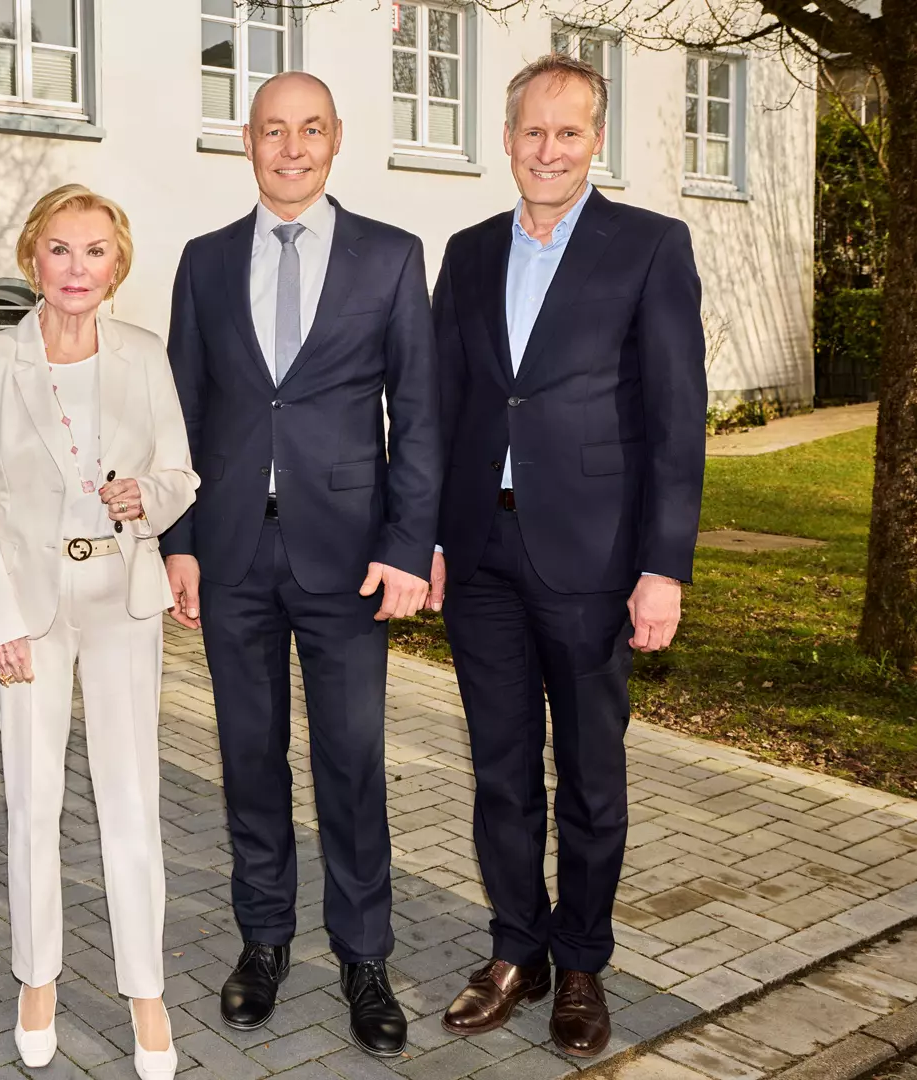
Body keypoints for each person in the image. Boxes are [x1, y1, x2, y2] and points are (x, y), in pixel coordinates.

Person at [428, 54, 706, 1058]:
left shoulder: (647, 247)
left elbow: (679, 417)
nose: (548, 151)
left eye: (569, 133)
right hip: (483, 552)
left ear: (596, 141)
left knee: (590, 773)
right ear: (507, 141)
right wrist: (431, 537)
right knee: (500, 769)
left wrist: (663, 565)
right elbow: (441, 408)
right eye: (532, 133)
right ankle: (516, 948)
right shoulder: (463, 254)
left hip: (595, 557)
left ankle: (582, 960)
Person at [162, 71, 442, 1058]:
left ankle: (365, 956)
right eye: (273, 130)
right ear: (249, 141)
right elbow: (181, 416)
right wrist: (178, 545)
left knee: (351, 765)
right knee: (248, 760)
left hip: (348, 559)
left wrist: (411, 546)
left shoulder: (392, 258)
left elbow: (418, 414)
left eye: (309, 129)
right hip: (233, 554)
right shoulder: (202, 263)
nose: (291, 147)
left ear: (336, 138)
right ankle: (264, 941)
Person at [0, 185, 198, 1080]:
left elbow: (180, 473)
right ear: (32, 259)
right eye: (60, 249)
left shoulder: (143, 356)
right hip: (29, 615)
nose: (78, 268)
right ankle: (37, 981)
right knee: (34, 806)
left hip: (123, 600)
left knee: (131, 807)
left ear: (118, 264)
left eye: (96, 251)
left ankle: (146, 994)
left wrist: (150, 499)